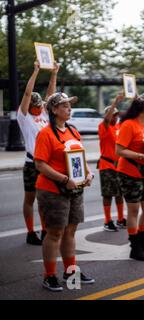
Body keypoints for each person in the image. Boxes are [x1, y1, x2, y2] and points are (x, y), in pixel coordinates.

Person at [34, 92, 95, 292]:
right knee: (54, 233)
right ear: (53, 110)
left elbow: (80, 156)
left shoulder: (73, 131)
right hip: (52, 189)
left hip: (74, 188)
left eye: (69, 105)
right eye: (64, 105)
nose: (69, 108)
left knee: (70, 231)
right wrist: (64, 179)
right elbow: (40, 164)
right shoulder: (45, 133)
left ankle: (71, 271)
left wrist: (88, 173)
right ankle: (49, 275)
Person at [116, 93, 144, 261]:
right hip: (129, 171)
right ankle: (135, 247)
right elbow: (119, 150)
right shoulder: (129, 125)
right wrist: (139, 156)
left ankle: (143, 243)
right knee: (134, 210)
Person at [17, 61, 59, 245]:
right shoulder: (24, 117)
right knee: (30, 199)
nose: (39, 106)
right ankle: (30, 231)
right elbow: (27, 93)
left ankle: (44, 230)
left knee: (44, 199)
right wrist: (35, 71)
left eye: (40, 104)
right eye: (35, 104)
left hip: (46, 164)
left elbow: (51, 94)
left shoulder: (43, 115)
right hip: (31, 163)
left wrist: (54, 73)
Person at [98, 93, 125, 232]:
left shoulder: (118, 128)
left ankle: (121, 219)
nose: (116, 117)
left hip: (119, 165)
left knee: (120, 194)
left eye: (116, 115)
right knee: (108, 195)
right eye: (114, 115)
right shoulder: (104, 126)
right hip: (107, 165)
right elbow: (107, 119)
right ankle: (107, 220)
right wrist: (115, 101)